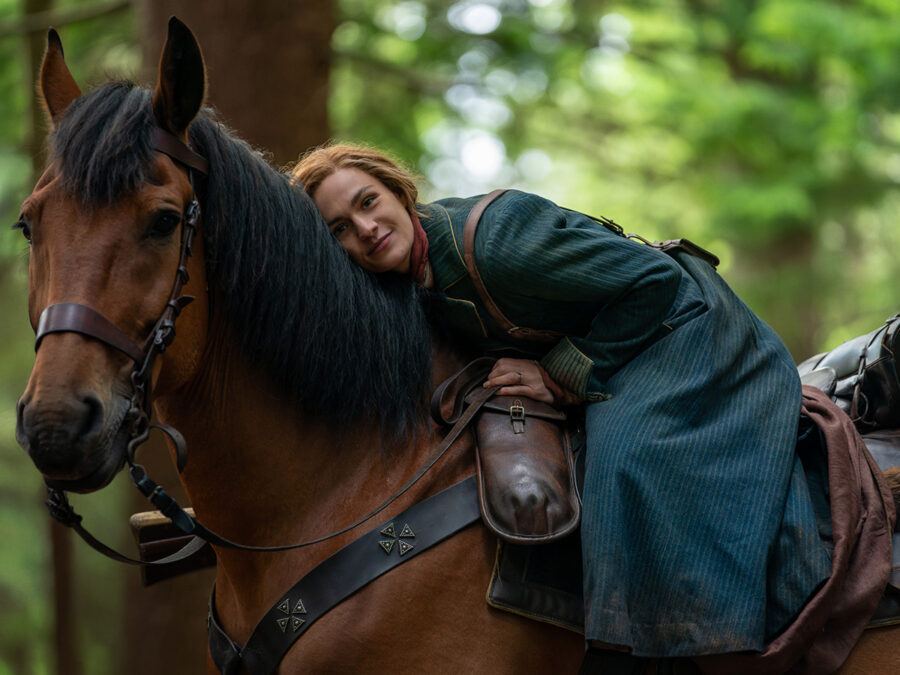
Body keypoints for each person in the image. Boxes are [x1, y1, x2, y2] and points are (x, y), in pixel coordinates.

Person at [289, 145, 833, 659]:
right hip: (622, 336)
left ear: (399, 193)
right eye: (340, 229)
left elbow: (655, 283)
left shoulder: (497, 240)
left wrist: (553, 373)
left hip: (688, 327)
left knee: (626, 460)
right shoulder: (408, 281)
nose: (366, 229)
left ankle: (706, 639)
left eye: (368, 202)